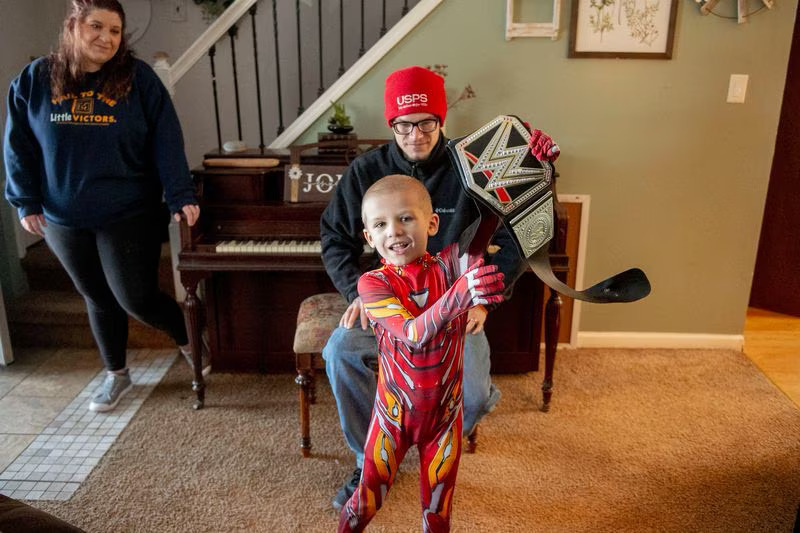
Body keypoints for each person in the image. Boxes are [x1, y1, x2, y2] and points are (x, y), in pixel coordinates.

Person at [320, 65, 560, 511]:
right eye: (404, 125)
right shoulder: (364, 171)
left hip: (454, 307)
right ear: (391, 124)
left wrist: (489, 296)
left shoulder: (471, 164)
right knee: (340, 352)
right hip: (390, 305)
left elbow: (520, 229)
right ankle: (366, 457)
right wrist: (358, 295)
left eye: (427, 122)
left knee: (469, 397)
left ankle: (448, 418)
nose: (416, 134)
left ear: (442, 120)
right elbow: (335, 237)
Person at [3, 0, 206, 413]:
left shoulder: (138, 78)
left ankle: (192, 345)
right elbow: (18, 145)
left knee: (137, 297)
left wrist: (180, 192)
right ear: (73, 26)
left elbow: (165, 138)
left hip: (128, 213)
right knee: (96, 296)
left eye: (115, 31)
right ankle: (117, 375)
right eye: (96, 26)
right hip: (62, 216)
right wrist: (24, 200)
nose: (107, 38)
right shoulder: (35, 79)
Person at [338, 174, 505, 532]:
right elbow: (414, 333)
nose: (395, 231)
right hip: (392, 419)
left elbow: (487, 224)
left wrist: (533, 170)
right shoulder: (373, 283)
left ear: (431, 223)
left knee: (438, 512)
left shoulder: (449, 264)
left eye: (406, 218)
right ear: (369, 237)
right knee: (365, 503)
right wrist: (463, 293)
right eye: (381, 224)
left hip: (444, 420)